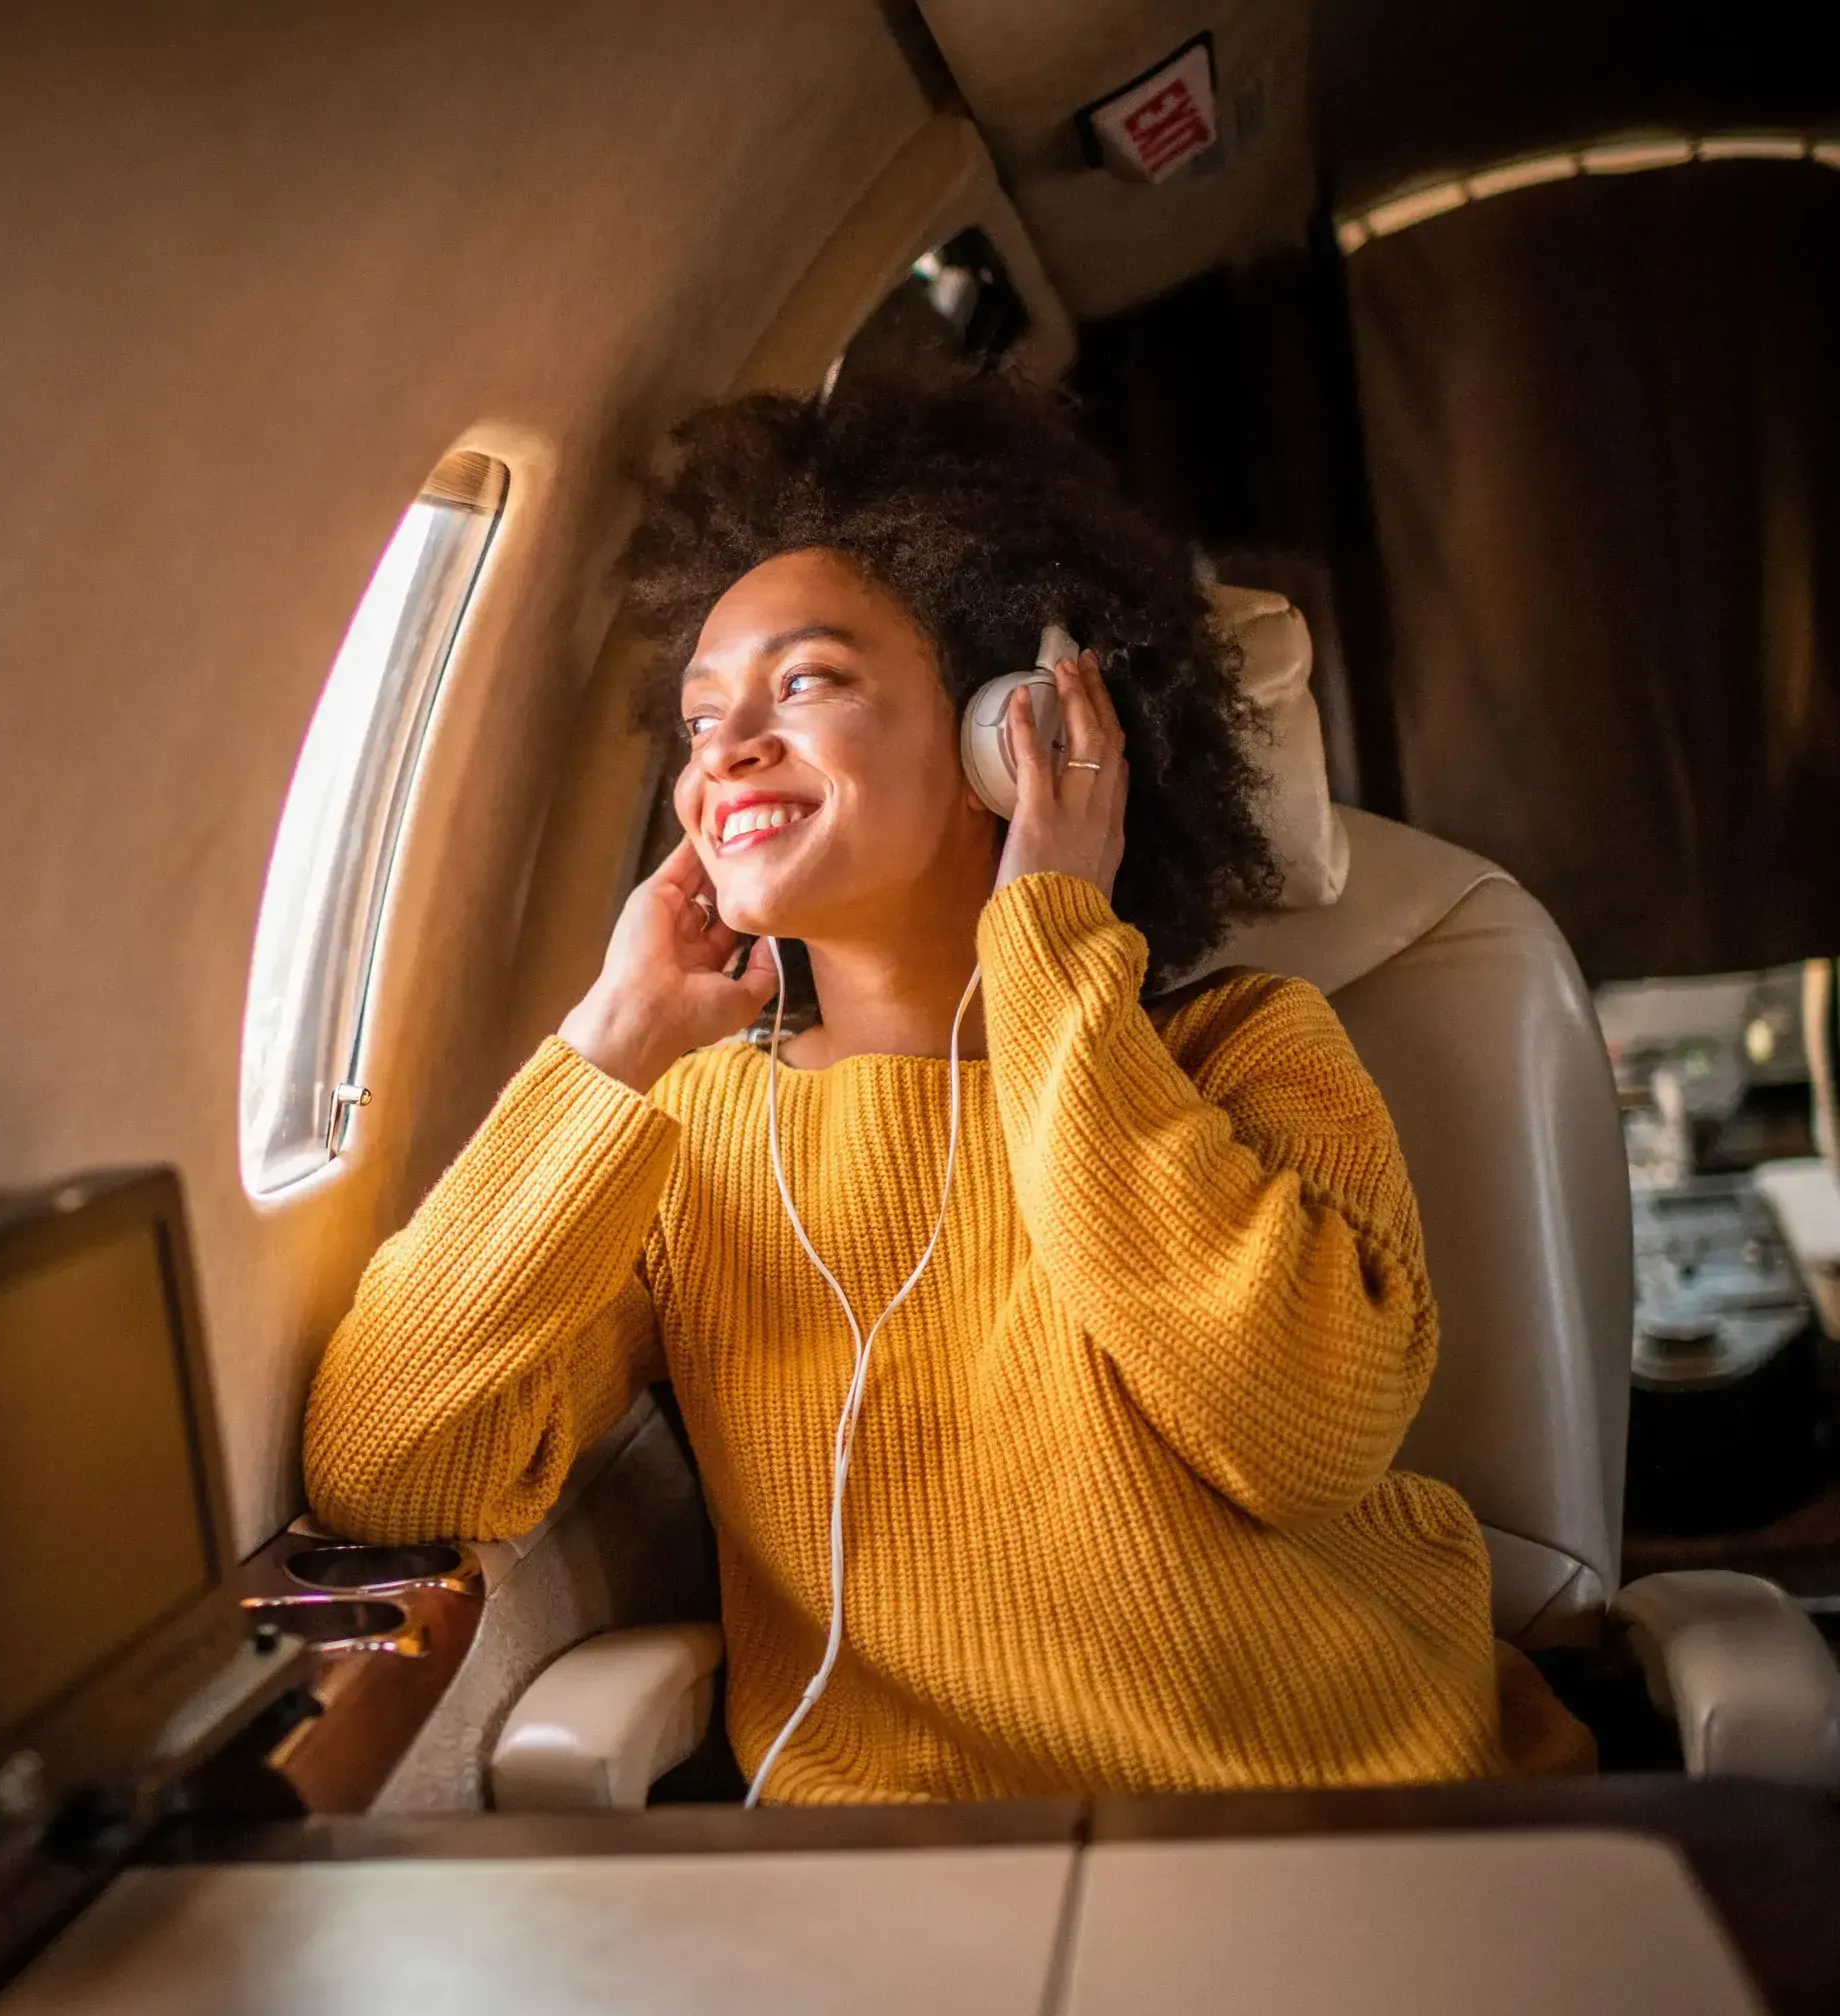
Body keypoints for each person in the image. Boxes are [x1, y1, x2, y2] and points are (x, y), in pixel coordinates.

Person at [301, 375, 1591, 1803]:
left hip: (1372, 1815)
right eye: (702, 714)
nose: (723, 748)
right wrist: (614, 1036)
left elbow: (1301, 1432)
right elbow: (388, 1470)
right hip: (924, 1887)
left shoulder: (1251, 1050)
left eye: (807, 683)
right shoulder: (692, 1131)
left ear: (1009, 732)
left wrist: (1047, 937)